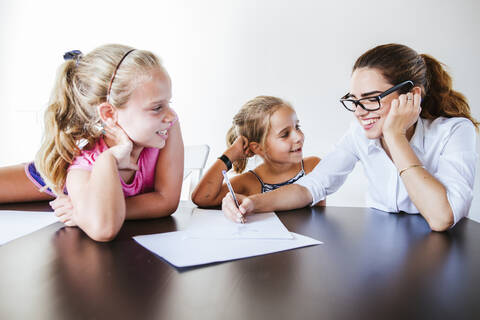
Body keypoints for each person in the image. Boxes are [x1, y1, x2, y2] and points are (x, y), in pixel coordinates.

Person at [222, 43, 478, 231]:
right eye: (354, 101)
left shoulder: (455, 131)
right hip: (383, 247)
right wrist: (254, 203)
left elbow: (442, 218)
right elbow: (312, 187)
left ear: (412, 95)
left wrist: (395, 136)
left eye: (371, 99)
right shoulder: (359, 134)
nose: (358, 112)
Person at [0, 44, 184, 241]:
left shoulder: (167, 127)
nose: (171, 115)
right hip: (56, 177)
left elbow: (166, 201)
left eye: (168, 103)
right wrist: (108, 159)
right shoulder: (83, 163)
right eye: (157, 107)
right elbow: (103, 228)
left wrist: (84, 213)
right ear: (109, 114)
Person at [191, 96, 324, 221]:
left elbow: (320, 218)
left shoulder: (312, 166)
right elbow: (202, 198)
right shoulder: (250, 182)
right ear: (259, 148)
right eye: (285, 134)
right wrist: (230, 155)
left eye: (297, 127)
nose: (298, 137)